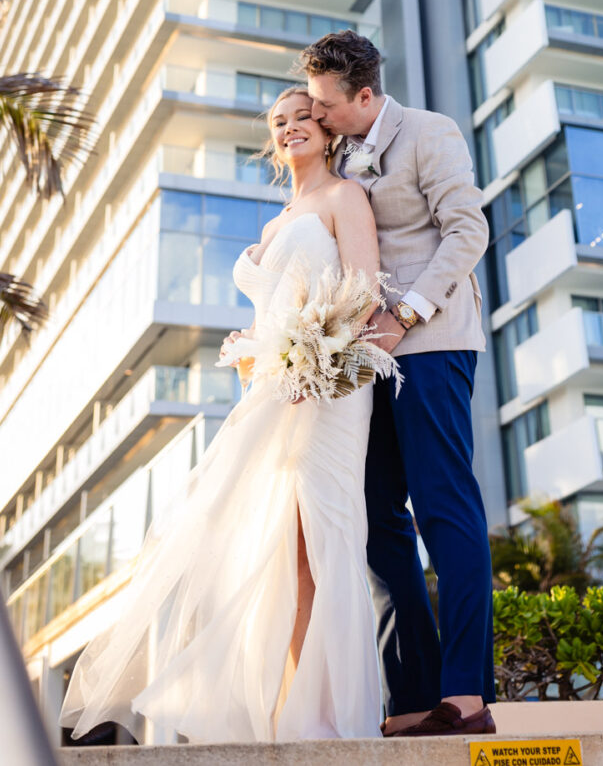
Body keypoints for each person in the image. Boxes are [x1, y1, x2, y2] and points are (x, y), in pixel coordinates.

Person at [60, 88, 384, 744]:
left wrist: (316, 363)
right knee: (263, 547)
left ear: (326, 131)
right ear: (273, 141)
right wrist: (253, 350)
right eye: (279, 122)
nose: (292, 128)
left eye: (303, 118)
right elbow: (273, 312)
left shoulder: (344, 199)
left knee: (318, 543)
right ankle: (286, 712)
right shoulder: (273, 225)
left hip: (328, 393)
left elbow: (363, 294)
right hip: (270, 392)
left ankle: (329, 719)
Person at [299, 30, 496, 739]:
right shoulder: (339, 152)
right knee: (376, 514)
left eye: (324, 105)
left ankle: (467, 693)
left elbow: (467, 231)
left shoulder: (428, 132)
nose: (316, 117)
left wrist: (405, 314)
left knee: (443, 506)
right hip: (364, 358)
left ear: (363, 95)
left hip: (432, 342)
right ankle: (410, 695)